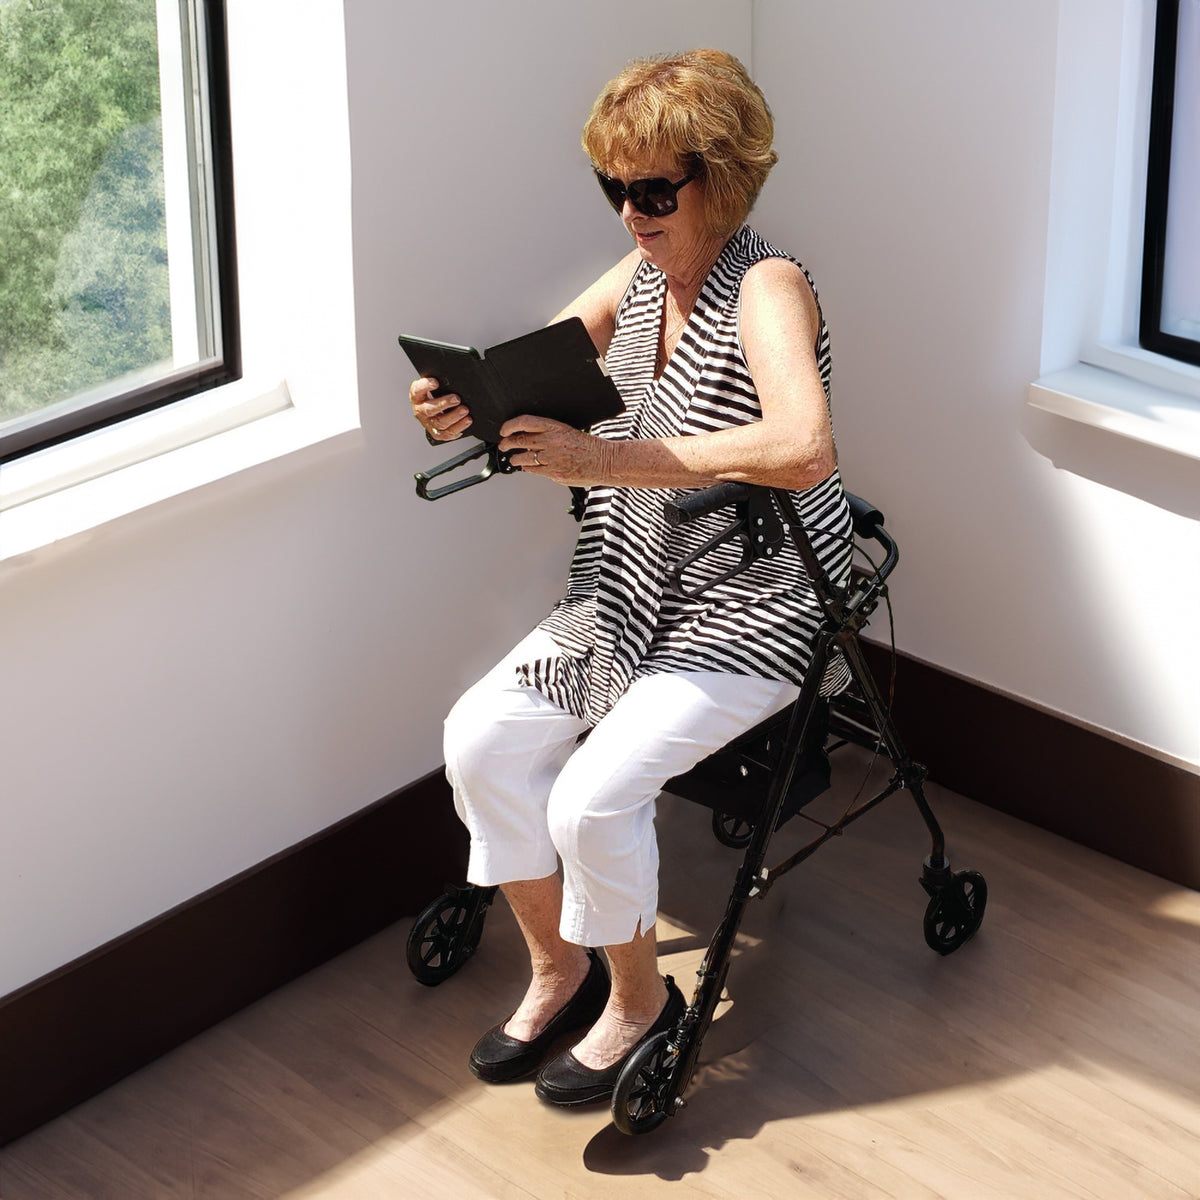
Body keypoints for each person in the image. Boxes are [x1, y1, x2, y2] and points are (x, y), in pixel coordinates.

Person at [408, 49, 852, 1107]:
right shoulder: (643, 278)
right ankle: (560, 969)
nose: (629, 214)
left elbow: (803, 447)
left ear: (724, 179)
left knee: (592, 801)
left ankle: (639, 1001)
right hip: (632, 585)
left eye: (653, 191)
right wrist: (464, 403)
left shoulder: (767, 285)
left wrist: (603, 459)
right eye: (615, 188)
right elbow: (539, 368)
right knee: (478, 742)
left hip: (752, 599)